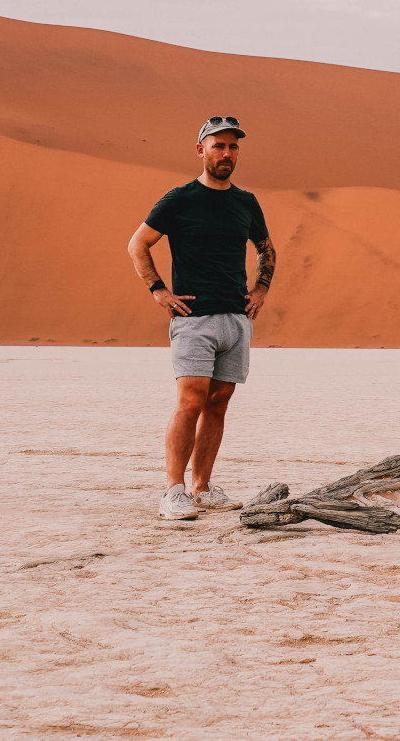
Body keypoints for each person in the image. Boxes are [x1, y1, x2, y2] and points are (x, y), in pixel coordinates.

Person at [127, 116, 276, 522]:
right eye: (218, 146)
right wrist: (158, 290)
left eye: (232, 147)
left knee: (219, 403)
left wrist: (261, 289)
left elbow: (266, 248)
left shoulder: (245, 201)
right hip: (194, 319)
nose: (226, 153)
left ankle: (202, 487)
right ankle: (173, 492)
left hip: (236, 318)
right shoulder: (180, 199)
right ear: (201, 150)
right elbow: (138, 244)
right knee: (190, 401)